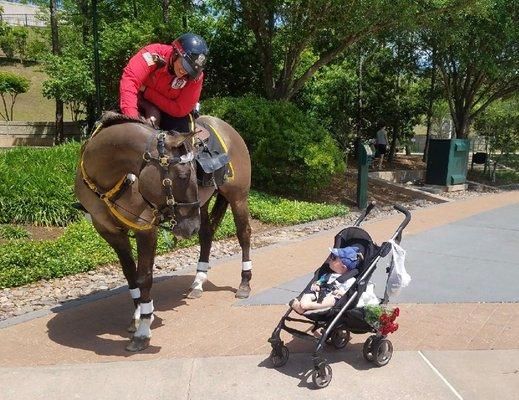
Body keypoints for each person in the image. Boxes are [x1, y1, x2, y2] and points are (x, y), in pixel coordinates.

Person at [119, 33, 208, 132]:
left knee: (184, 140)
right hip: (138, 102)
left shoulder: (195, 77)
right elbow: (130, 81)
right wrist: (133, 123)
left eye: (190, 71)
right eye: (184, 65)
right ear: (175, 53)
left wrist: (147, 91)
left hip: (172, 114)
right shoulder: (153, 54)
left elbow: (180, 109)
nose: (185, 72)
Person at [290, 246, 363, 315]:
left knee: (333, 300)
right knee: (308, 294)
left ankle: (308, 306)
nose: (330, 259)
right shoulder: (328, 275)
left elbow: (349, 292)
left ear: (343, 266)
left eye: (333, 258)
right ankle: (303, 307)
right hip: (319, 294)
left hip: (332, 299)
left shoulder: (350, 279)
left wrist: (341, 293)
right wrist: (317, 284)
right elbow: (320, 281)